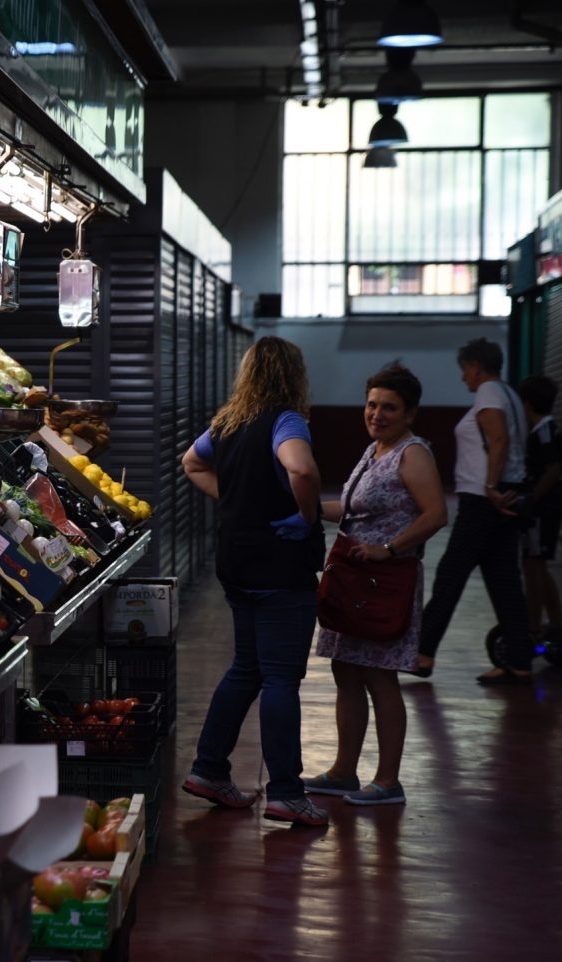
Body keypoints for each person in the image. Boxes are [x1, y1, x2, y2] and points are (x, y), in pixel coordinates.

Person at [179, 336, 329, 827]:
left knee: (247, 668)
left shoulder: (228, 422)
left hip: (237, 564)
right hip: (279, 567)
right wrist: (305, 516)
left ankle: (208, 770)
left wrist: (235, 500)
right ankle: (286, 791)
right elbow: (301, 469)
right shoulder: (287, 420)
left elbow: (191, 462)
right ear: (295, 374)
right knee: (281, 678)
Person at [305, 364, 447, 807]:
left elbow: (435, 514)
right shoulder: (374, 451)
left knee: (379, 679)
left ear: (410, 413)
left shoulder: (412, 453)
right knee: (345, 672)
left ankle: (388, 781)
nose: (377, 414)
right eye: (372, 404)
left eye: (389, 407)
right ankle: (344, 771)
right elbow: (349, 511)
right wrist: (298, 503)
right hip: (352, 581)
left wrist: (389, 547)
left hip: (383, 583)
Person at [415, 338, 534, 684]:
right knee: (504, 581)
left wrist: (491, 486)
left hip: (484, 503)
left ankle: (422, 655)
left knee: (450, 575)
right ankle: (519, 660)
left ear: (476, 366)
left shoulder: (488, 394)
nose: (463, 377)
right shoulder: (508, 393)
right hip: (501, 500)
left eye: (464, 369)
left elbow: (498, 440)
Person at [518, 376, 562, 643]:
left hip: (542, 511)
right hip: (541, 509)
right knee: (536, 565)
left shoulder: (544, 432)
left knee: (533, 565)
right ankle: (556, 621)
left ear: (527, 403)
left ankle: (534, 625)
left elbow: (552, 470)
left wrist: (531, 499)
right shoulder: (540, 431)